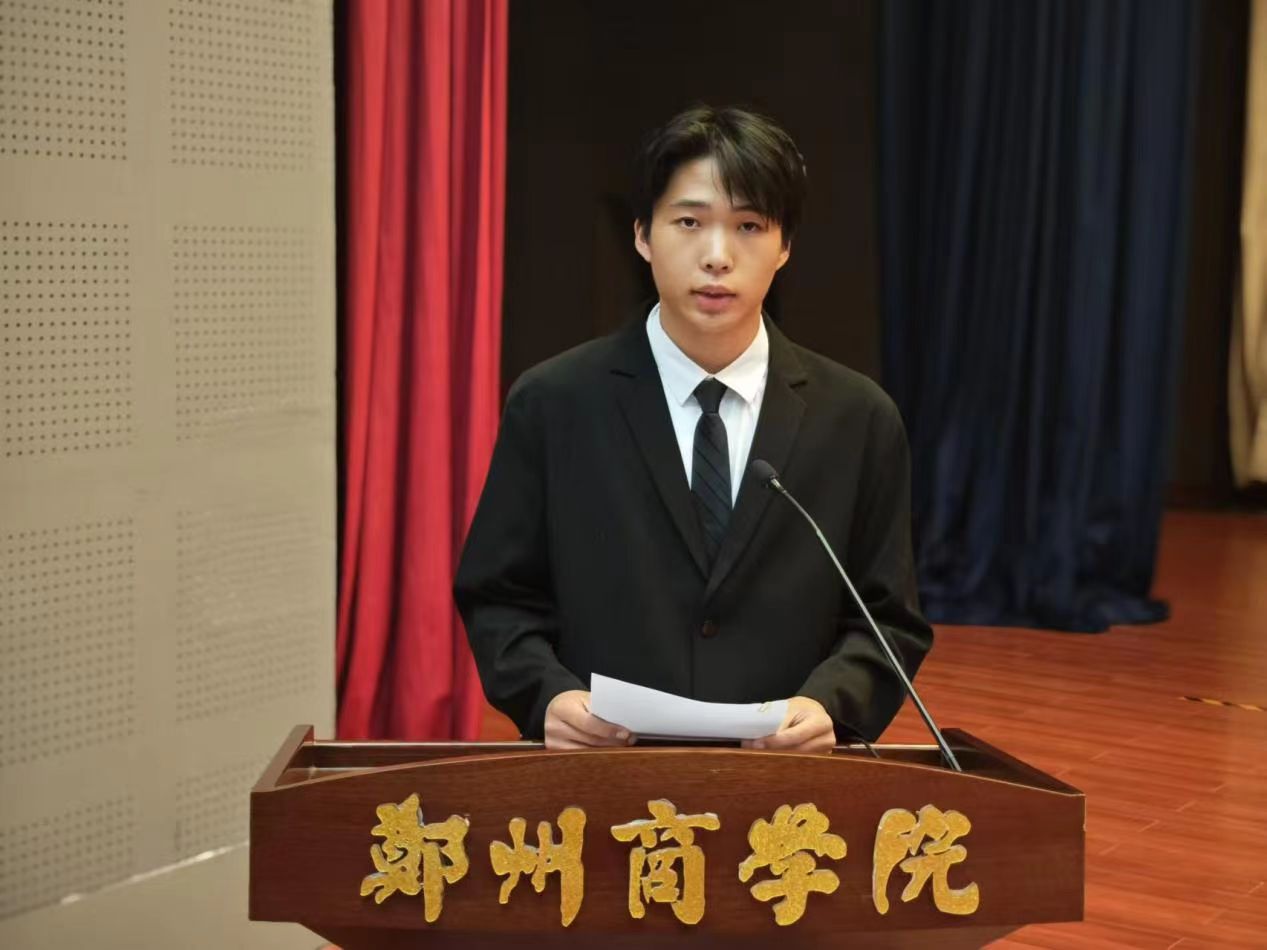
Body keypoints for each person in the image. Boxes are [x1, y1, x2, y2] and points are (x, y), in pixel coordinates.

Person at [454, 105, 931, 754]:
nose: (716, 256)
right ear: (642, 235)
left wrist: (831, 704)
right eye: (689, 222)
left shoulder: (857, 417)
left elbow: (887, 618)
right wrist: (546, 696)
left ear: (785, 246)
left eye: (748, 226)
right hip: (604, 772)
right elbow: (499, 596)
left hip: (788, 783)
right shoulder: (554, 403)